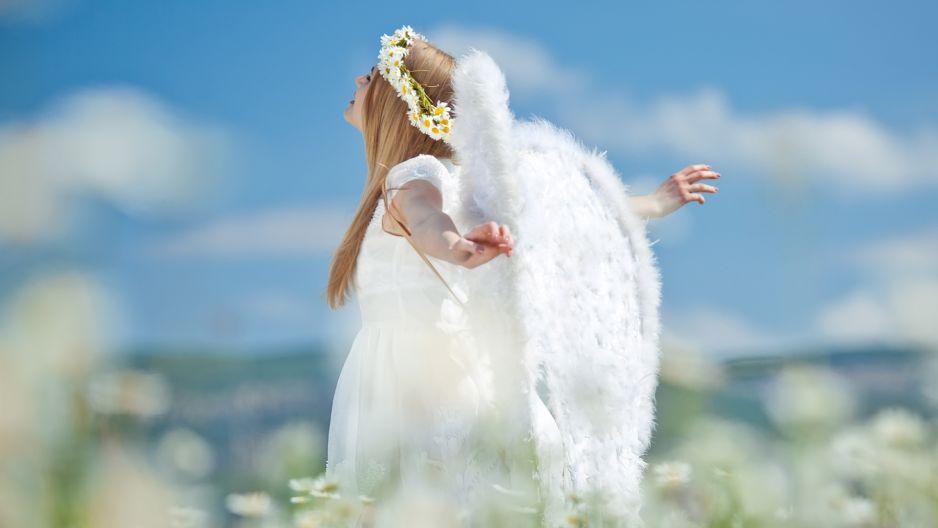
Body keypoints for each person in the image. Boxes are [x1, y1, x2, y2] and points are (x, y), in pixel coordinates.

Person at [324, 25, 721, 527]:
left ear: (399, 106)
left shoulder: (416, 176)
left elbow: (426, 221)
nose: (359, 79)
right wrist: (649, 204)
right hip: (444, 378)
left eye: (373, 76)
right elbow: (558, 207)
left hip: (424, 388)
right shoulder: (456, 182)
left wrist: (457, 247)